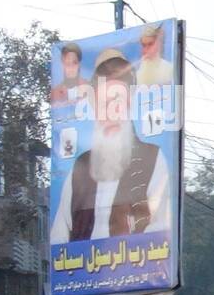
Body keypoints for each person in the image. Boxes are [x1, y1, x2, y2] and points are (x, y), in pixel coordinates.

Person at [50, 49, 171, 244]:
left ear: (129, 103)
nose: (112, 113)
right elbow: (59, 236)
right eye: (105, 103)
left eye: (118, 102)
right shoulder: (80, 168)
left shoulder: (152, 159)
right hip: (84, 272)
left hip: (135, 271)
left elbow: (160, 230)